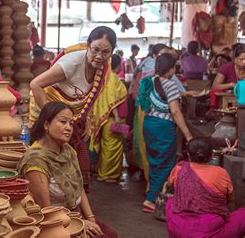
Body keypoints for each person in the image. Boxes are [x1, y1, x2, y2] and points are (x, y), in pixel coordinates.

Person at [29, 26, 127, 188]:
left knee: (74, 160)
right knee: (46, 156)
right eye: (95, 49)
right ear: (88, 45)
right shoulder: (72, 62)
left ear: (112, 52)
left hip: (69, 116)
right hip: (46, 109)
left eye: (105, 52)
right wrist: (52, 118)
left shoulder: (104, 68)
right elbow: (35, 84)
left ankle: (70, 201)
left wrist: (86, 116)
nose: (99, 56)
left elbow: (90, 97)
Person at [18, 101, 118, 238]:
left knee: (110, 234)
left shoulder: (68, 150)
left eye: (71, 123)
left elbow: (79, 187)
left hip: (75, 214)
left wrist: (90, 218)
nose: (69, 128)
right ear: (46, 125)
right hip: (53, 222)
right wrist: (80, 222)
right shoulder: (35, 160)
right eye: (63, 122)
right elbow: (45, 210)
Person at [136, 53, 193, 212]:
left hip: (149, 124)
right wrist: (188, 135)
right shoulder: (170, 85)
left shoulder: (150, 82)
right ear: (171, 69)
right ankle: (150, 199)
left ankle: (151, 191)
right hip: (163, 126)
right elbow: (175, 112)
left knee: (155, 161)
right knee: (166, 163)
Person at [166, 137, 245, 237]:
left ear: (189, 155)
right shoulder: (220, 173)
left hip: (178, 227)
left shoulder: (179, 169)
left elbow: (170, 184)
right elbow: (231, 199)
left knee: (171, 201)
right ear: (211, 155)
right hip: (209, 229)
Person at [210, 43, 245, 108]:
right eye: (241, 59)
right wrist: (231, 85)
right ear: (235, 59)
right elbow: (214, 87)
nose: (244, 62)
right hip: (226, 101)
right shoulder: (226, 68)